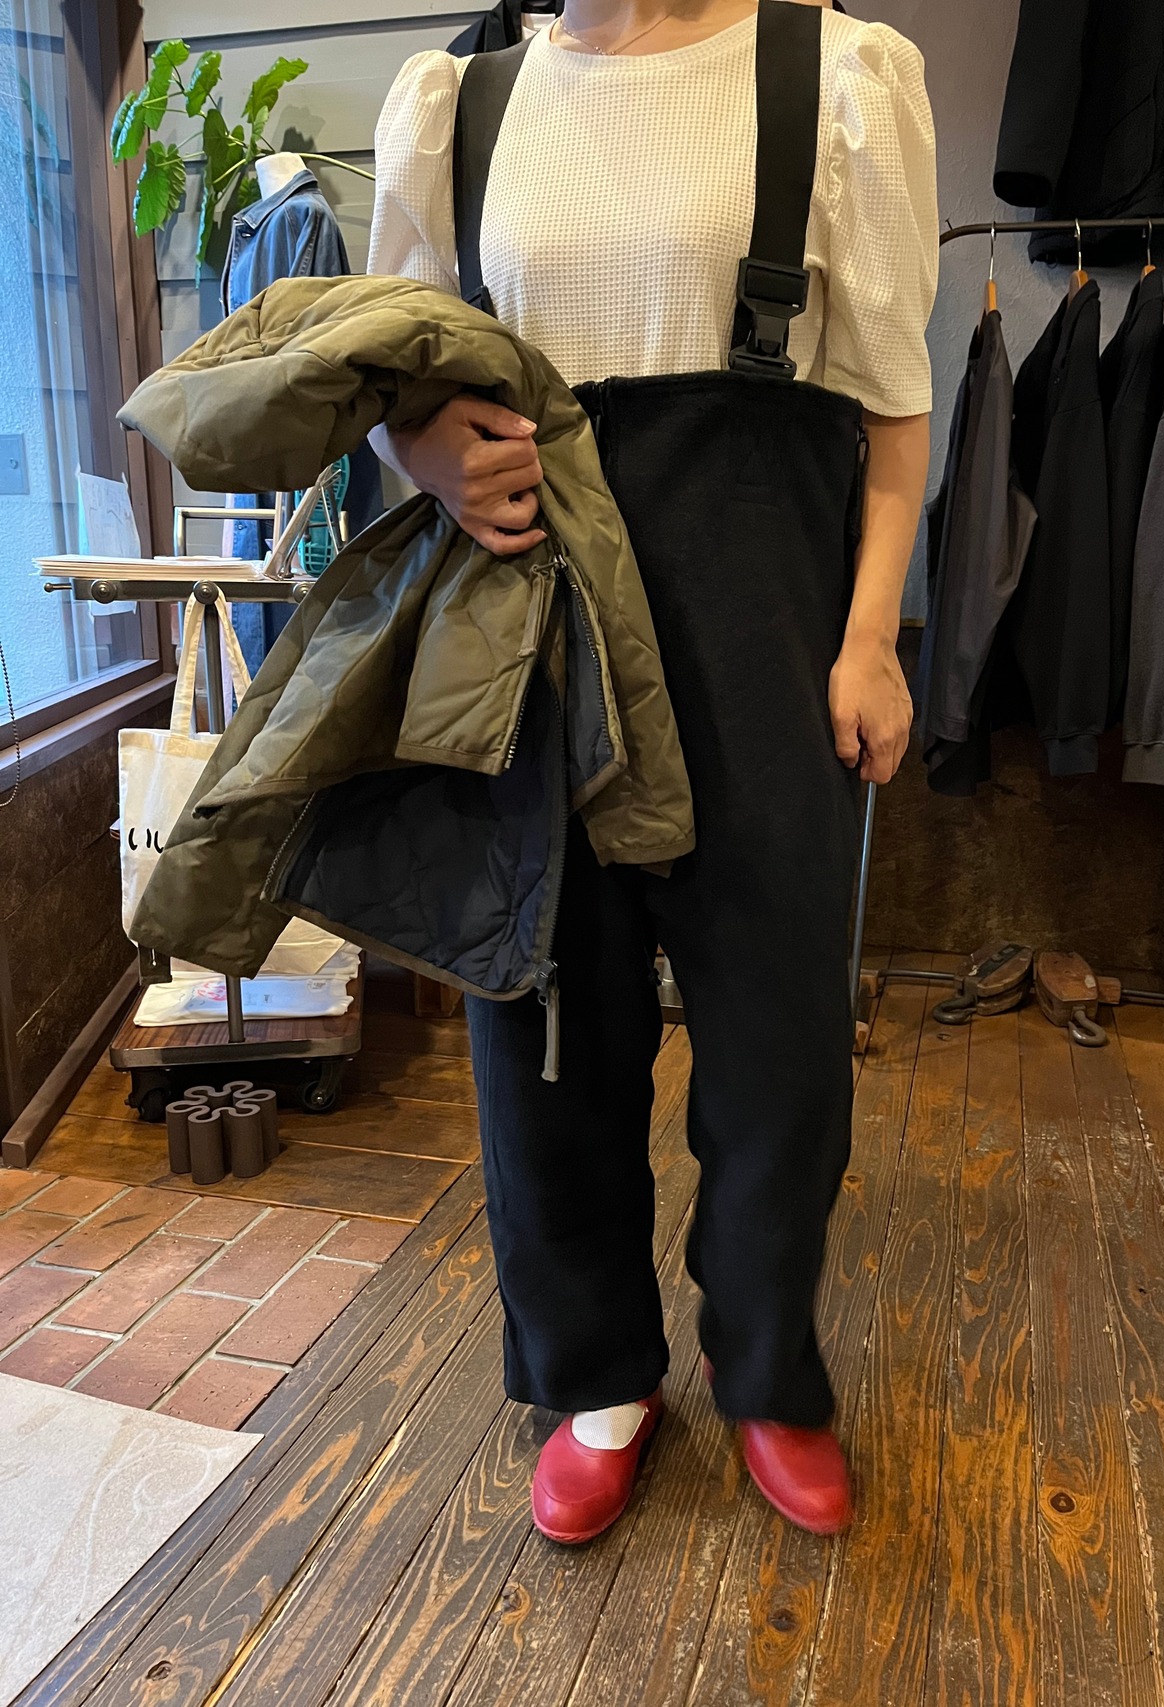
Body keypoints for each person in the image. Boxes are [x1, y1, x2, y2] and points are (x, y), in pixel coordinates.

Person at [367, 0, 936, 1542]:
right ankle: (597, 1377)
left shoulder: (836, 78)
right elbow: (396, 390)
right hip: (531, 628)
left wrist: (870, 639)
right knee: (547, 1022)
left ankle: (767, 1370)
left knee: (780, 1036)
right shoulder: (461, 106)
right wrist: (430, 460)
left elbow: (894, 403)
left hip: (767, 626)